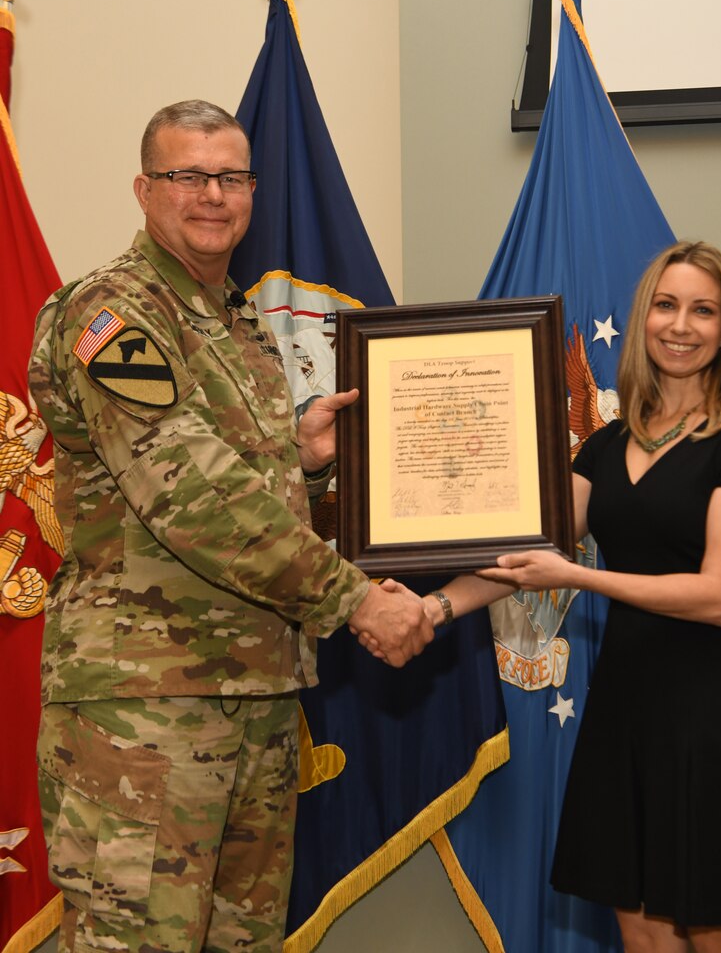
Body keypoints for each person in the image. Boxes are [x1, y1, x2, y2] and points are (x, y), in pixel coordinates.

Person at [29, 100, 433, 953]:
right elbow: (193, 495)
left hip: (255, 695)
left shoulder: (238, 324)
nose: (212, 194)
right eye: (187, 175)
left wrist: (304, 457)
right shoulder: (112, 313)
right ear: (144, 189)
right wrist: (356, 602)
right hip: (146, 709)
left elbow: (235, 481)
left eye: (231, 176)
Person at [476, 241, 721, 952]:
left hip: (710, 708)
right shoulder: (608, 443)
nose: (680, 325)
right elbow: (525, 550)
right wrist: (431, 604)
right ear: (641, 317)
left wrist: (580, 577)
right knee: (641, 927)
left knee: (718, 926)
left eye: (703, 310)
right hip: (624, 699)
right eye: (666, 304)